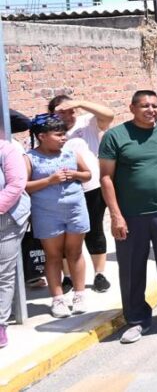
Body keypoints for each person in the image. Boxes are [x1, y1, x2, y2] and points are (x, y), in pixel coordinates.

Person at [99, 90, 157, 343]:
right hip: (130, 215)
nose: (151, 110)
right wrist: (116, 215)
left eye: (155, 106)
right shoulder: (116, 136)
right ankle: (137, 319)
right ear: (132, 108)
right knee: (131, 269)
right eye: (145, 106)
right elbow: (106, 177)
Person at [26, 114, 92, 318]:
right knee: (53, 256)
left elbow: (88, 174)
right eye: (58, 134)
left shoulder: (71, 153)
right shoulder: (29, 158)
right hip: (46, 213)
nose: (64, 138)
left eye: (64, 134)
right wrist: (49, 180)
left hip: (75, 210)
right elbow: (24, 186)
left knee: (75, 252)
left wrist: (76, 175)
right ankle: (57, 299)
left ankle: (79, 295)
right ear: (42, 136)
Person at [48, 95, 114, 293]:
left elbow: (109, 115)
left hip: (91, 186)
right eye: (62, 112)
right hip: (62, 190)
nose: (68, 115)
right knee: (66, 233)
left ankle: (99, 274)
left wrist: (80, 103)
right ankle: (68, 276)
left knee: (94, 230)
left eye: (71, 111)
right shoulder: (48, 129)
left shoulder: (87, 122)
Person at [0, 135, 29, 348]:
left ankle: (0, 323)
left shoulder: (6, 150)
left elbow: (16, 184)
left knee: (3, 273)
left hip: (6, 220)